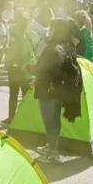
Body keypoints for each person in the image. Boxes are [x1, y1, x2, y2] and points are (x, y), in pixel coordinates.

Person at [33, 18, 83, 163]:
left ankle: (53, 153)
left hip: (48, 89)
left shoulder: (53, 48)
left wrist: (31, 69)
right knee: (54, 119)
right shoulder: (68, 45)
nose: (49, 31)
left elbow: (43, 69)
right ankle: (51, 146)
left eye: (52, 28)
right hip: (59, 89)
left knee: (50, 121)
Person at [1, 13, 40, 127]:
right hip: (25, 70)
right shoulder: (32, 35)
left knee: (16, 95)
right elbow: (34, 49)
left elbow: (17, 52)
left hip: (21, 69)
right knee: (22, 96)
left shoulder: (19, 36)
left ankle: (14, 118)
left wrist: (10, 61)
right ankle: (18, 118)